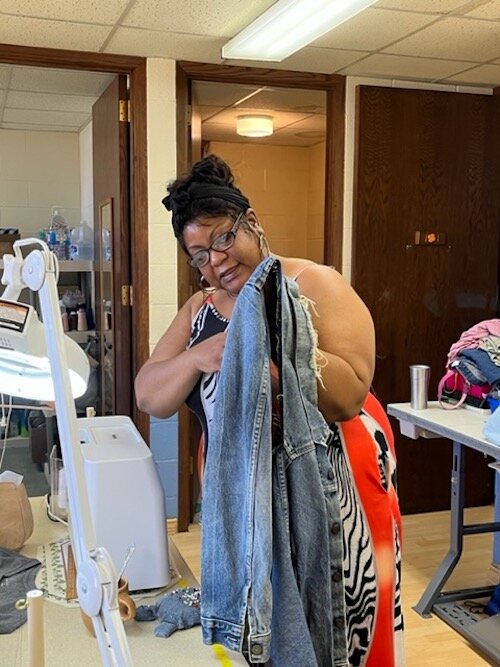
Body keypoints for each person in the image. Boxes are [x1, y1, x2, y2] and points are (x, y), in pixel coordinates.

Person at [135, 155, 404, 666]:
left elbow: (350, 395)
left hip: (332, 493)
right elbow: (150, 395)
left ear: (250, 222)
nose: (215, 261)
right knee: (261, 634)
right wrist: (202, 354)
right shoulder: (201, 310)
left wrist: (273, 342)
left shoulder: (314, 283)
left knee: (345, 631)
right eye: (198, 255)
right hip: (241, 500)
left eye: (222, 238)